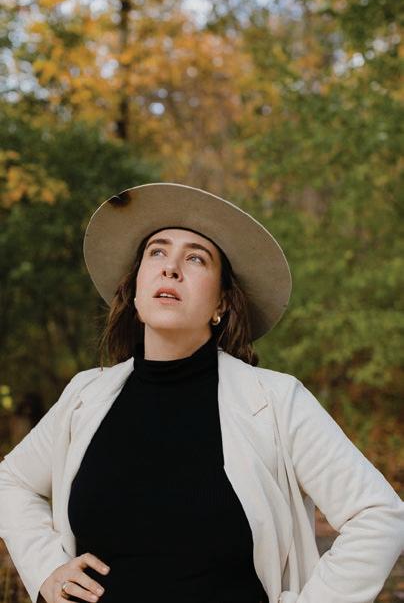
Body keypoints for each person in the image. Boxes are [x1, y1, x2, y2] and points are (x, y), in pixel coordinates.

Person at [0, 182, 403, 603]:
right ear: (135, 291)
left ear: (221, 304)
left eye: (195, 258)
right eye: (157, 252)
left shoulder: (277, 402)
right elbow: (11, 482)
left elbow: (378, 516)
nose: (170, 268)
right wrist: (45, 569)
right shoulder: (86, 395)